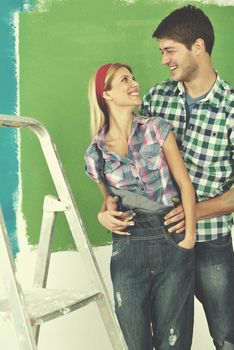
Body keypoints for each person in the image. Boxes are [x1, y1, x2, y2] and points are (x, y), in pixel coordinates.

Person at [139, 5, 234, 350]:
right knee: (170, 341)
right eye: (161, 52)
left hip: (211, 243)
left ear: (198, 46)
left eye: (169, 50)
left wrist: (196, 210)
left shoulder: (231, 110)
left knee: (227, 336)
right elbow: (129, 162)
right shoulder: (155, 98)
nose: (164, 60)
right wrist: (109, 202)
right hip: (161, 244)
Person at [84, 62, 196, 350]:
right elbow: (108, 202)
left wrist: (189, 239)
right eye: (124, 80)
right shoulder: (95, 153)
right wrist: (102, 216)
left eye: (133, 77)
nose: (134, 83)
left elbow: (185, 185)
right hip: (127, 247)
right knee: (135, 344)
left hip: (171, 239)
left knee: (175, 342)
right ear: (106, 94)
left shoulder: (156, 128)